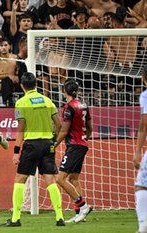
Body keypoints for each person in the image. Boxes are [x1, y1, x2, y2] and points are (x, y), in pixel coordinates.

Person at [0, 72, 64, 227]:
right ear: (36, 84)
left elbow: (20, 129)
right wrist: (53, 140)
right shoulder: (47, 101)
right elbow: (59, 125)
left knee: (20, 179)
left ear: (22, 86)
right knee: (50, 180)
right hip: (48, 143)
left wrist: (16, 152)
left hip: (31, 145)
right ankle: (59, 217)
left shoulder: (22, 103)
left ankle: (15, 218)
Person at [55, 79, 93, 223]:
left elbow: (64, 131)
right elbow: (90, 127)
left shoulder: (68, 107)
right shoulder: (83, 105)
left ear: (65, 91)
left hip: (75, 145)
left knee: (60, 179)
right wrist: (85, 138)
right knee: (73, 179)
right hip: (82, 144)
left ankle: (83, 206)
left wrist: (53, 145)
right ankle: (80, 214)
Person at [133, 65, 147, 233]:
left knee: (142, 185)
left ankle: (144, 225)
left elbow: (144, 123)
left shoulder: (145, 96)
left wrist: (137, 151)